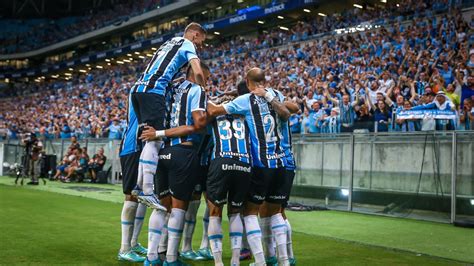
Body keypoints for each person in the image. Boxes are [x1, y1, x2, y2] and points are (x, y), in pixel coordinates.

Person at [208, 68, 292, 266]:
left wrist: (212, 99)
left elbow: (213, 111)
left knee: (249, 212)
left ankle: (261, 261)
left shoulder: (245, 101)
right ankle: (285, 261)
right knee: (276, 212)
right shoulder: (277, 95)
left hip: (261, 163)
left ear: (247, 81)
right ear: (265, 80)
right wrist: (270, 96)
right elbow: (289, 111)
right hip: (283, 162)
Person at [139, 62, 210, 266]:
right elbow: (197, 124)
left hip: (162, 152)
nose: (208, 81)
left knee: (161, 207)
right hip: (183, 152)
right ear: (198, 74)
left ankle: (152, 257)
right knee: (179, 209)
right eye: (207, 76)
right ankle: (171, 258)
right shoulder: (198, 90)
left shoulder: (169, 89)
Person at [131, 22, 207, 209]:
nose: (200, 46)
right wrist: (203, 89)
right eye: (200, 42)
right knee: (155, 138)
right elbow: (197, 70)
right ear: (195, 35)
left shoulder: (170, 42)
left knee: (148, 136)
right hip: (154, 91)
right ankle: (147, 191)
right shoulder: (188, 44)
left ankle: (139, 185)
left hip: (139, 90)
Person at [205, 89, 252, 266]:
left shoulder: (215, 114)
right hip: (244, 163)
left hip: (221, 161)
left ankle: (218, 262)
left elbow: (206, 107)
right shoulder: (246, 115)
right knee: (236, 212)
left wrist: (219, 99)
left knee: (215, 212)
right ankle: (234, 260)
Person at [116, 93, 149, 263]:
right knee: (131, 195)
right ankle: (124, 248)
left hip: (144, 147)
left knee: (142, 196)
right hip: (133, 146)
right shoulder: (141, 89)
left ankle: (133, 243)